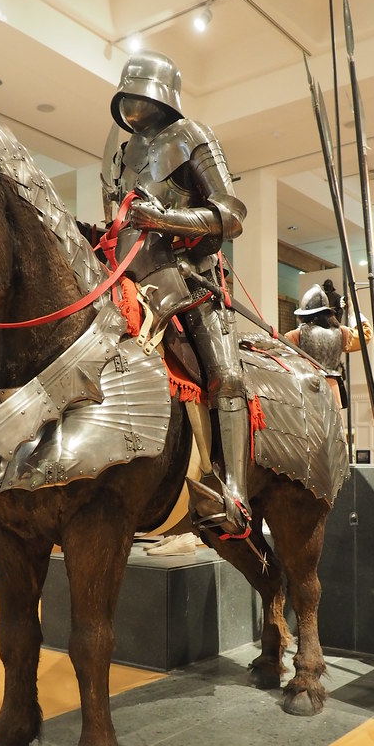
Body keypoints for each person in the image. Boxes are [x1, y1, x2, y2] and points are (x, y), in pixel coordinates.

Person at [104, 51, 250, 538]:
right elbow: (118, 218)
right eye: (126, 95)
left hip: (188, 275)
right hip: (125, 272)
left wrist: (163, 219)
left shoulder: (192, 136)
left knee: (226, 376)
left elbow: (231, 215)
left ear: (159, 95)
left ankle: (233, 492)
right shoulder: (121, 151)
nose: (130, 104)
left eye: (138, 93)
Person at [283, 285, 371, 409]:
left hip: (306, 390)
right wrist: (352, 311)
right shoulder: (341, 333)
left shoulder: (294, 335)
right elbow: (366, 334)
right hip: (332, 390)